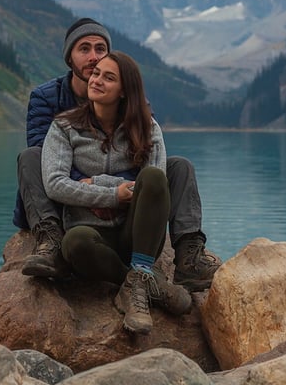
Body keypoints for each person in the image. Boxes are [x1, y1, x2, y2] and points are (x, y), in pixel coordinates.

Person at [13, 18, 220, 290]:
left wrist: (104, 186)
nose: (93, 57)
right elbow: (46, 159)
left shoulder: (136, 106)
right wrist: (88, 185)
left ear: (123, 89)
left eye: (100, 49)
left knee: (179, 167)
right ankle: (50, 241)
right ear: (69, 57)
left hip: (124, 201)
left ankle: (188, 257)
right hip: (68, 202)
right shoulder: (46, 98)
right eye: (84, 49)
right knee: (29, 156)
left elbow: (144, 162)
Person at [41, 51, 192, 333]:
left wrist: (93, 183)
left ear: (125, 91)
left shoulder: (147, 127)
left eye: (108, 78)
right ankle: (142, 281)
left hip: (136, 235)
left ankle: (142, 269)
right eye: (96, 73)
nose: (96, 80)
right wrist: (114, 193)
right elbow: (55, 184)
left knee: (155, 178)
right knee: (75, 242)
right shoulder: (64, 126)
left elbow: (152, 184)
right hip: (91, 233)